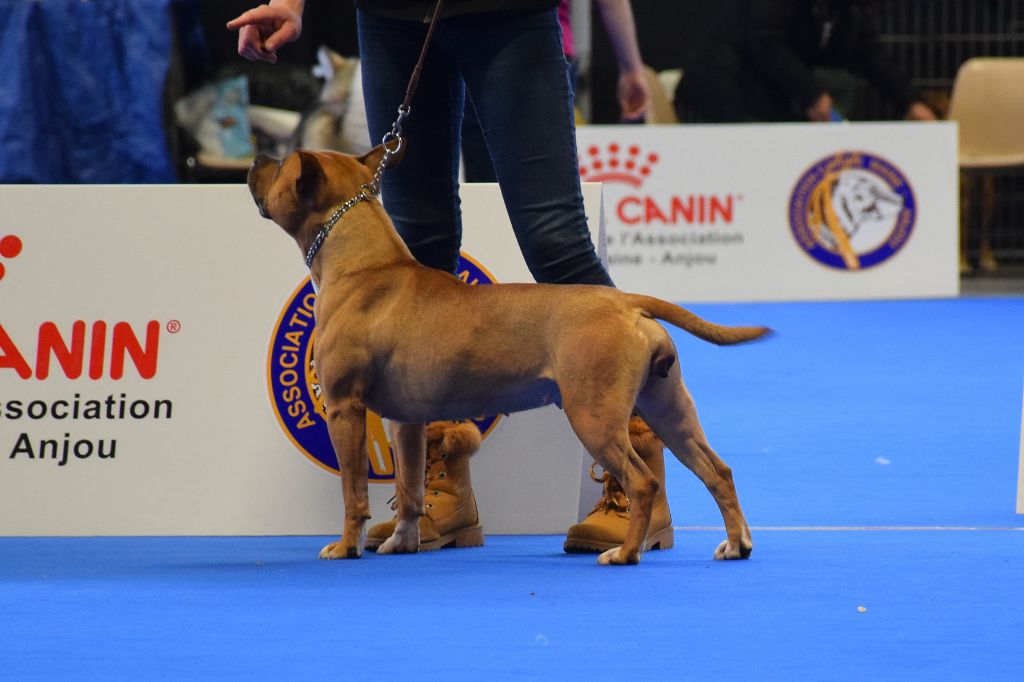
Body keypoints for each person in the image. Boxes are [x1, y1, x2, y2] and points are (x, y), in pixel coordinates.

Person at [228, 0, 672, 554]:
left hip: (507, 11)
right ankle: (443, 492)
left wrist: (628, 60)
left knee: (554, 241)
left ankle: (638, 482)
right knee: (419, 249)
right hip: (394, 18)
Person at [462, 0, 650, 182]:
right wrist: (631, 68)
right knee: (544, 185)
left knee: (484, 185)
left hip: (469, 39)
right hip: (538, 45)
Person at [674, 0, 937, 123]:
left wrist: (910, 103)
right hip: (718, 95)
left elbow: (868, 51)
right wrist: (811, 96)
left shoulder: (850, 8)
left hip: (762, 100)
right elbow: (767, 42)